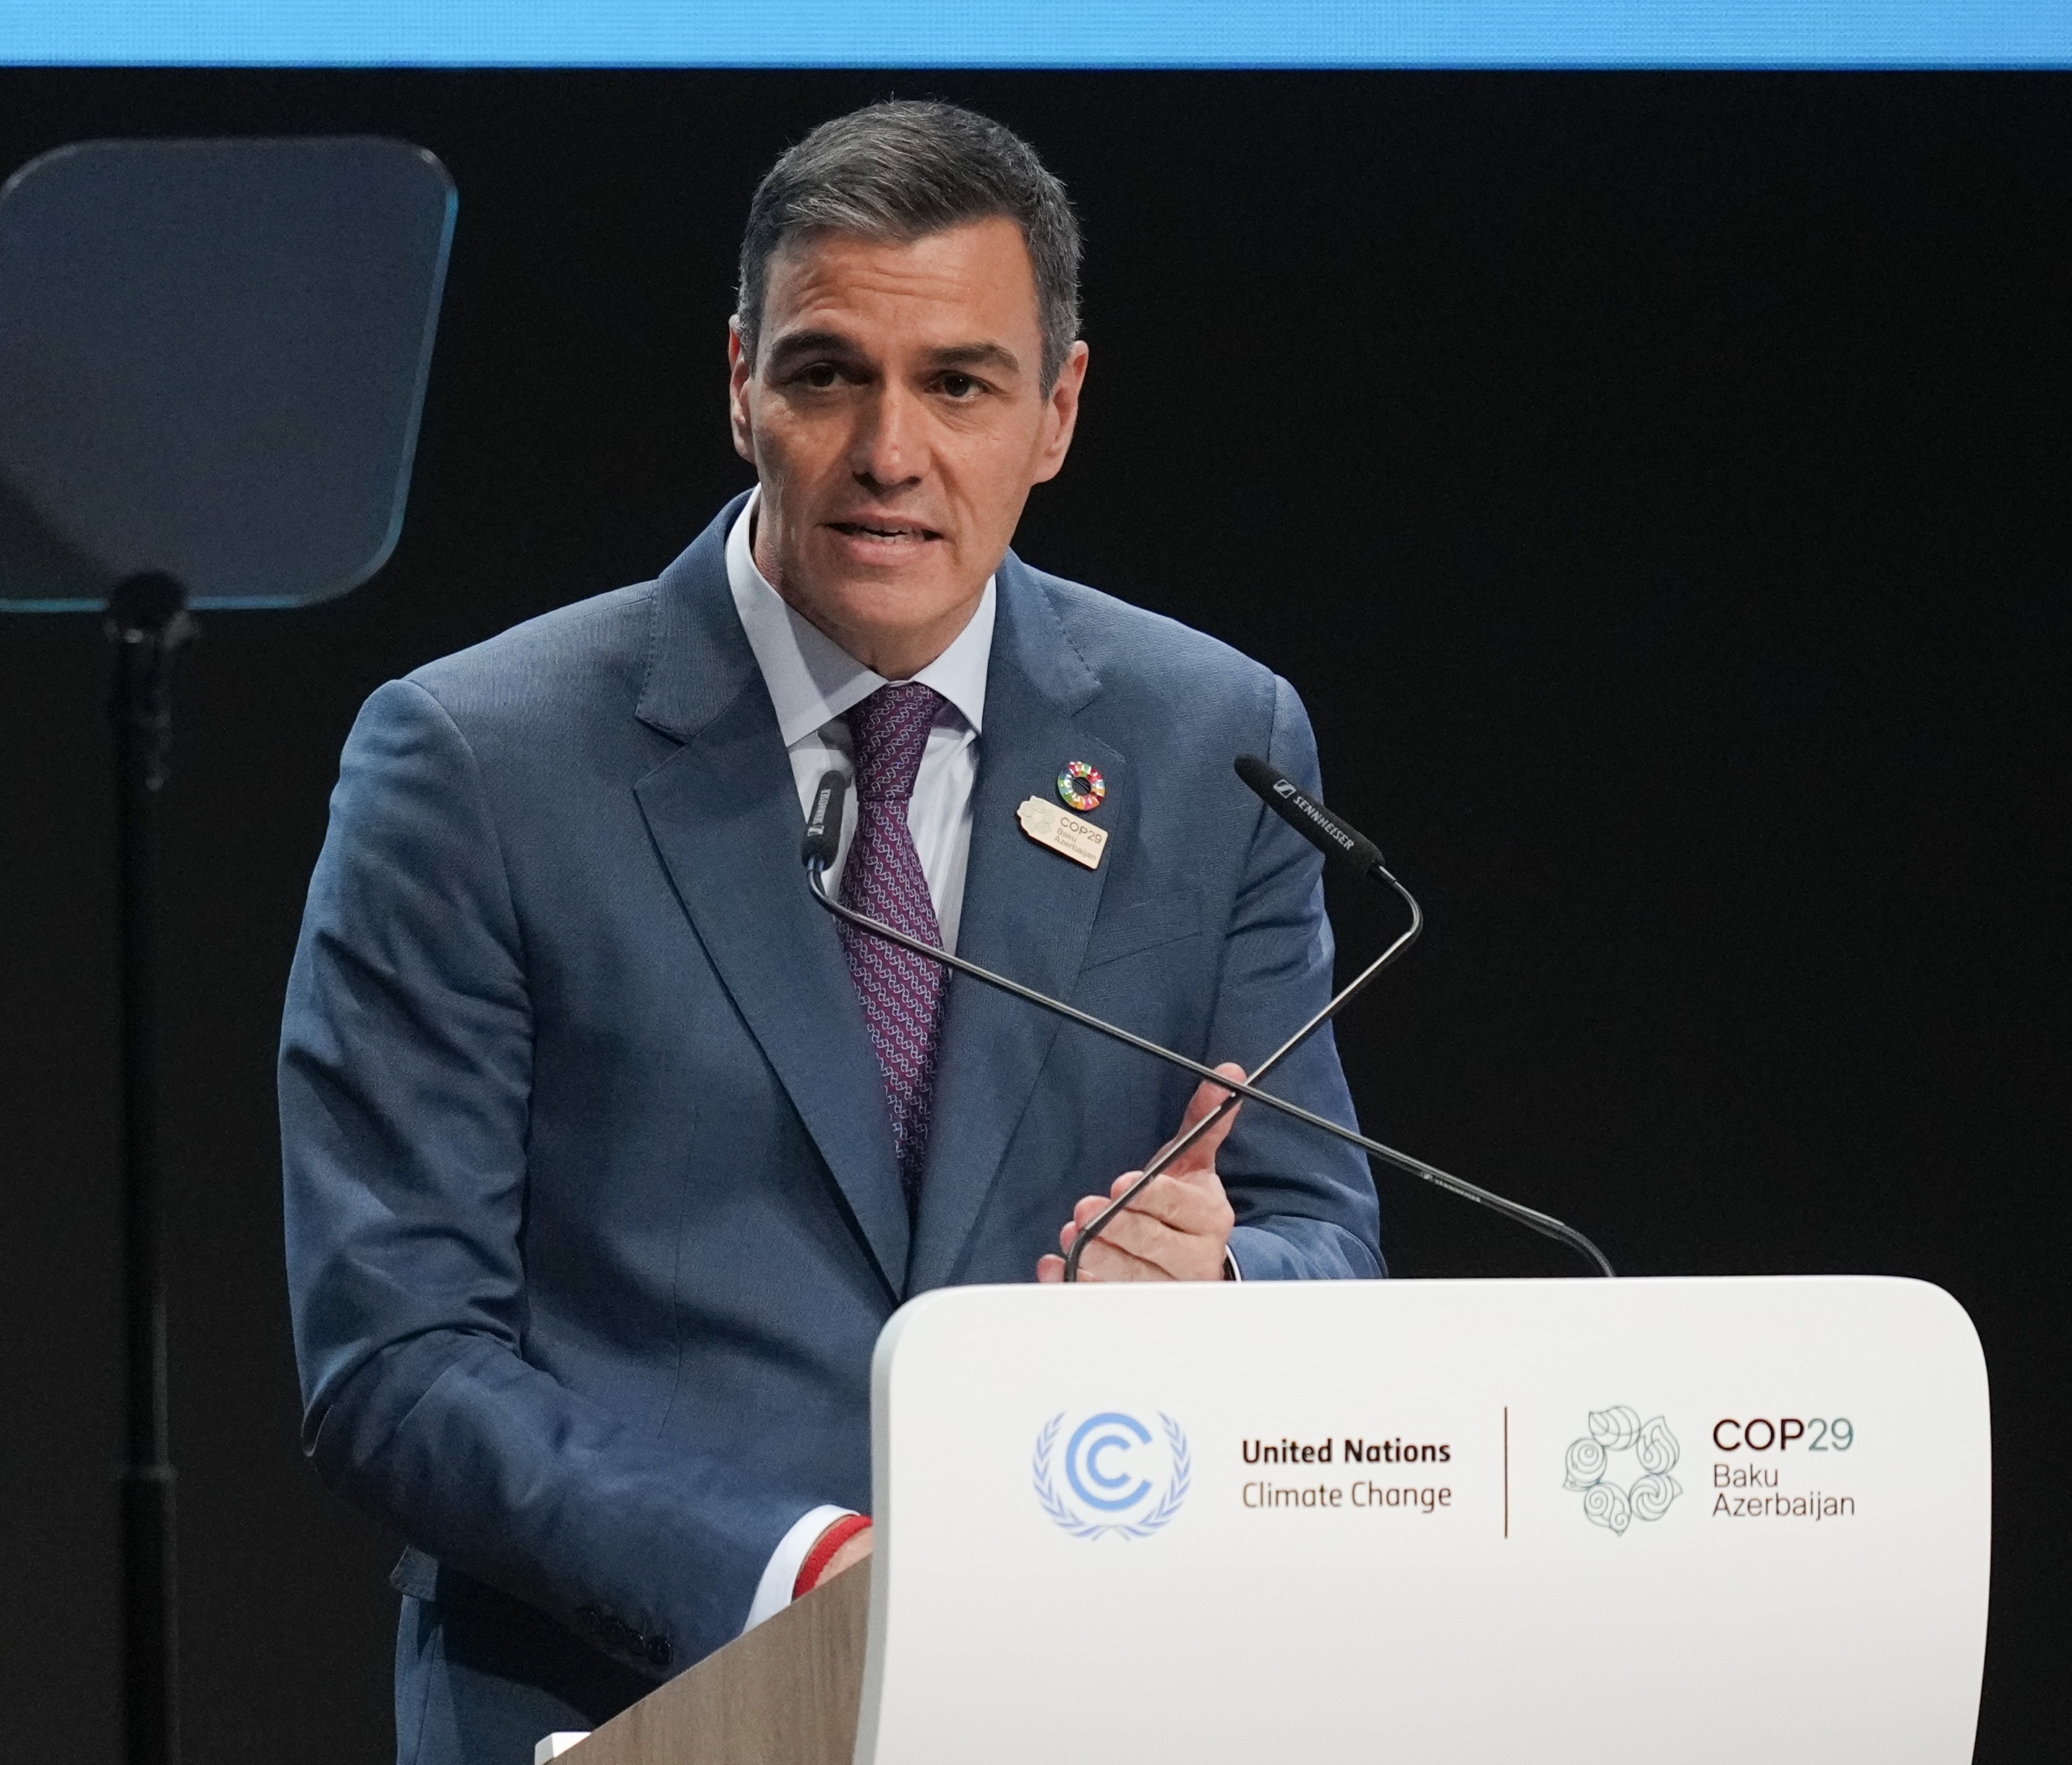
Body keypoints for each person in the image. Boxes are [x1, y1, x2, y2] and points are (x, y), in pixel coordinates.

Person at [278, 100, 1382, 1765]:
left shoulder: (1212, 742)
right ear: (739, 383)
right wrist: (792, 1565)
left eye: (958, 382)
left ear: (1057, 410)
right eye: (825, 374)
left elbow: (1331, 1244)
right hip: (624, 1697)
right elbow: (394, 1352)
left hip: (1086, 1687)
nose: (889, 451)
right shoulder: (479, 763)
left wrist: (1221, 1280)